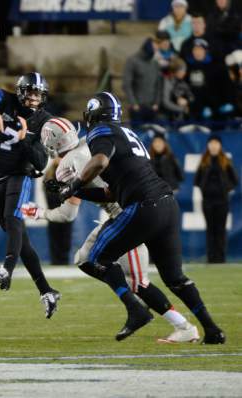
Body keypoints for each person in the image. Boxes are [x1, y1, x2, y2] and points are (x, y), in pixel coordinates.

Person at [53, 91, 225, 344]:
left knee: (94, 258)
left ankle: (135, 310)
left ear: (92, 115)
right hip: (166, 205)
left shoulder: (101, 131)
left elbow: (99, 161)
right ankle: (212, 330)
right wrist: (78, 190)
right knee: (175, 279)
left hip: (142, 207)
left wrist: (74, 183)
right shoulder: (127, 134)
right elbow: (111, 192)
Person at [23, 117, 199, 343]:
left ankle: (175, 324)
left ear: (52, 144)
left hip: (127, 217)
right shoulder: (90, 143)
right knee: (85, 258)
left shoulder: (69, 164)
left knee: (137, 283)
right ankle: (142, 310)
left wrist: (40, 213)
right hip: (130, 210)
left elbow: (68, 214)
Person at [0, 72, 61, 318]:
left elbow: (40, 162)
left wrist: (25, 139)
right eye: (30, 92)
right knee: (19, 237)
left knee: (13, 218)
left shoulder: (46, 121)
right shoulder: (5, 98)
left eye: (38, 94)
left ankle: (7, 268)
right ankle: (46, 291)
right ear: (21, 91)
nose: (34, 98)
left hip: (19, 174)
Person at [194, 135, 238, 263]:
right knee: (210, 229)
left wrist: (225, 189)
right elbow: (197, 180)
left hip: (222, 201)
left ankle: (221, 258)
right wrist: (205, 188)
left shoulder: (225, 161)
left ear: (220, 145)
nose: (213, 146)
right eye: (211, 143)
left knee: (220, 229)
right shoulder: (203, 161)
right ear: (208, 145)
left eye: (216, 143)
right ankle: (211, 258)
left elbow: (234, 180)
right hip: (207, 201)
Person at [185, 39, 235, 122]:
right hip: (195, 110)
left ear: (206, 51)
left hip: (216, 111)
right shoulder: (187, 67)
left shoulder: (217, 67)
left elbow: (226, 87)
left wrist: (229, 102)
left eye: (200, 49)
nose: (197, 52)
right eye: (195, 49)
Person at [123, 38, 162, 125]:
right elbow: (127, 84)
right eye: (155, 48)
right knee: (138, 134)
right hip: (137, 107)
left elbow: (158, 85)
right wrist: (134, 104)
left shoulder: (155, 64)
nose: (156, 50)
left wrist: (156, 103)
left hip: (152, 107)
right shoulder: (132, 61)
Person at [162, 57, 194, 121]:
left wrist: (187, 101)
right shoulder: (167, 82)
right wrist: (182, 109)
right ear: (175, 71)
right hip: (168, 117)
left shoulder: (183, 82)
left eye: (185, 70)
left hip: (182, 117)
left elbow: (191, 96)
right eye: (182, 70)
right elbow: (165, 102)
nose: (184, 72)